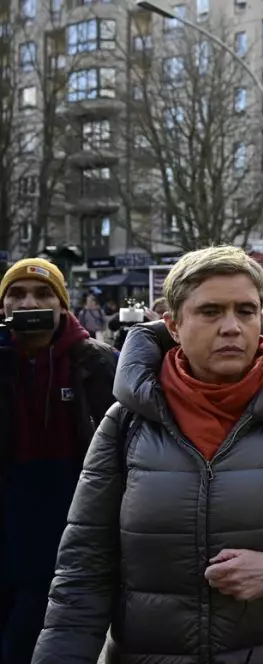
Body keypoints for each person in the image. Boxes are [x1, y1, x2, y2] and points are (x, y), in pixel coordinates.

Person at [32, 246, 263, 663]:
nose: (231, 327)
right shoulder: (126, 423)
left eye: (245, 311)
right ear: (173, 324)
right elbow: (83, 571)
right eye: (210, 312)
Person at [0, 259, 116, 663]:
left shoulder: (97, 361)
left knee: (35, 631)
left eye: (43, 293)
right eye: (16, 294)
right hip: (10, 507)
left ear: (62, 305)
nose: (29, 301)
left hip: (71, 510)